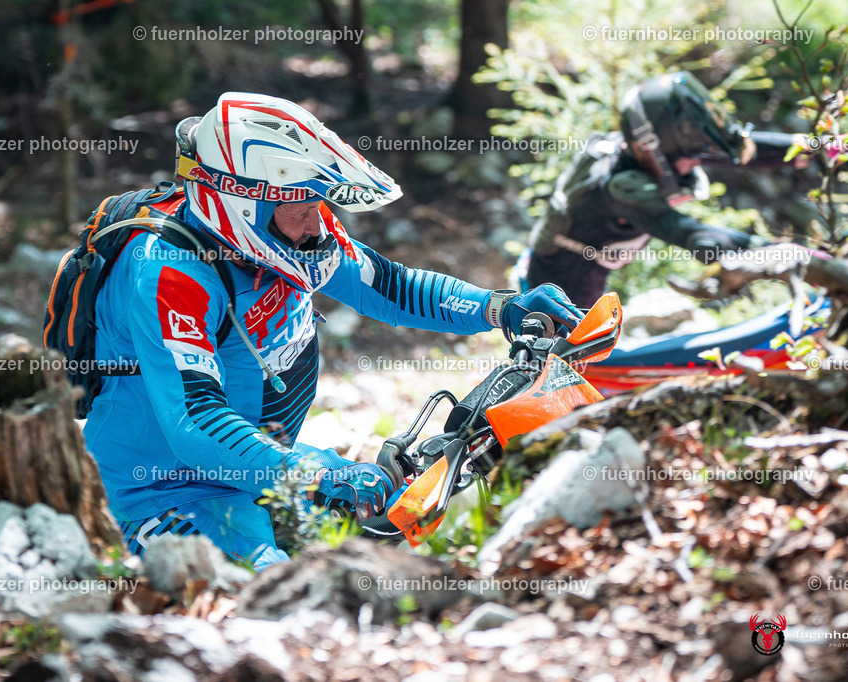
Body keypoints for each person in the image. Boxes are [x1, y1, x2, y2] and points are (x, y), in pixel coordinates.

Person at [82, 92, 584, 569]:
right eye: (302, 208)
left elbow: (390, 286)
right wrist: (316, 476)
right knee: (277, 600)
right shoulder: (169, 272)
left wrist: (500, 308)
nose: (318, 223)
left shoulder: (291, 229)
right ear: (240, 204)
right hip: (170, 491)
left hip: (261, 463)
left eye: (319, 204)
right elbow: (195, 423)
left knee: (400, 535)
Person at [515, 71, 848, 306]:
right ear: (657, 148)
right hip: (558, 285)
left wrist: (822, 147)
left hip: (579, 262)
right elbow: (688, 233)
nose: (697, 163)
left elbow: (739, 150)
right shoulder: (623, 187)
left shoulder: (644, 151)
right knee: (566, 367)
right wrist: (787, 254)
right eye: (691, 156)